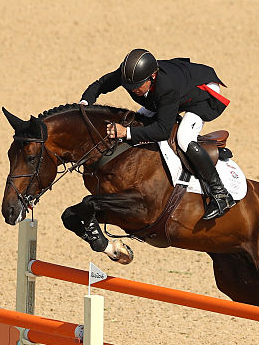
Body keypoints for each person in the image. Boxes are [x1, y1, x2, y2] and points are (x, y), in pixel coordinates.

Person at [80, 48, 236, 220]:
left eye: (137, 87)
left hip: (202, 92)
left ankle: (221, 194)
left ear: (152, 77)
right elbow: (101, 84)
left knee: (183, 137)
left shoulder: (166, 88)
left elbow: (163, 130)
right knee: (138, 119)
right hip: (175, 88)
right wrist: (84, 103)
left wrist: (126, 132)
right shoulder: (130, 74)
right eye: (129, 86)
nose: (133, 90)